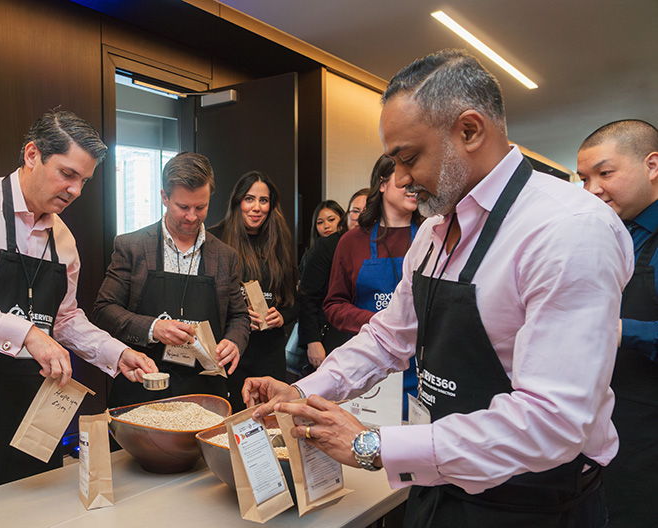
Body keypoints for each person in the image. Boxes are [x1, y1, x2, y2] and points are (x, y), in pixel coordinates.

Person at [244, 49, 632, 527]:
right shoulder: (432, 233)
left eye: (409, 158)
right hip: (438, 484)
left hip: (530, 503)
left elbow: (552, 421)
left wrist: (375, 444)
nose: (402, 180)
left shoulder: (567, 229)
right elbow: (389, 338)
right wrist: (301, 391)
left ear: (469, 131)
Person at [0, 110, 157, 506]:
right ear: (31, 155)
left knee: (34, 511)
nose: (75, 190)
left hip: (32, 403)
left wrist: (117, 352)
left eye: (84, 181)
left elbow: (65, 318)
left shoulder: (64, 240)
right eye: (67, 174)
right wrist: (26, 334)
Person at [92, 152, 249, 408]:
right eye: (183, 207)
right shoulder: (132, 247)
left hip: (205, 391)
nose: (192, 217)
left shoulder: (225, 256)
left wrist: (234, 341)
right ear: (164, 197)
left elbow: (239, 316)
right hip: (142, 383)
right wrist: (154, 328)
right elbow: (104, 310)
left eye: (201, 207)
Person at [576, 119, 658, 528]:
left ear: (652, 166)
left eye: (605, 173)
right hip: (597, 429)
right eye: (584, 179)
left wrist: (622, 330)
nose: (592, 189)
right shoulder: (602, 234)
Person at [323, 155, 420, 414]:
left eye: (416, 181)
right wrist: (377, 322)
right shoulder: (352, 242)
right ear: (382, 184)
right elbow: (334, 305)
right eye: (404, 181)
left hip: (419, 368)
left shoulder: (431, 237)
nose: (413, 188)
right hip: (367, 365)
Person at [210, 171, 299, 411]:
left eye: (263, 200)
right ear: (238, 201)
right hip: (231, 351)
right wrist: (237, 316)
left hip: (270, 351)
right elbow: (205, 299)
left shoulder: (279, 241)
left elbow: (295, 300)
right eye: (249, 199)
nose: (257, 207)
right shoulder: (215, 239)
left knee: (271, 420)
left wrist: (282, 316)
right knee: (233, 419)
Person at [297, 188, 369, 374]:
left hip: (364, 340)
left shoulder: (379, 247)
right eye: (355, 211)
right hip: (330, 337)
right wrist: (312, 341)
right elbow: (308, 296)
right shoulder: (328, 245)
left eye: (367, 211)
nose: (360, 217)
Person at [298, 200, 344, 274]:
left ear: (343, 219)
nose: (326, 226)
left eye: (331, 220)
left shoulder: (349, 248)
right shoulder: (309, 252)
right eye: (320, 222)